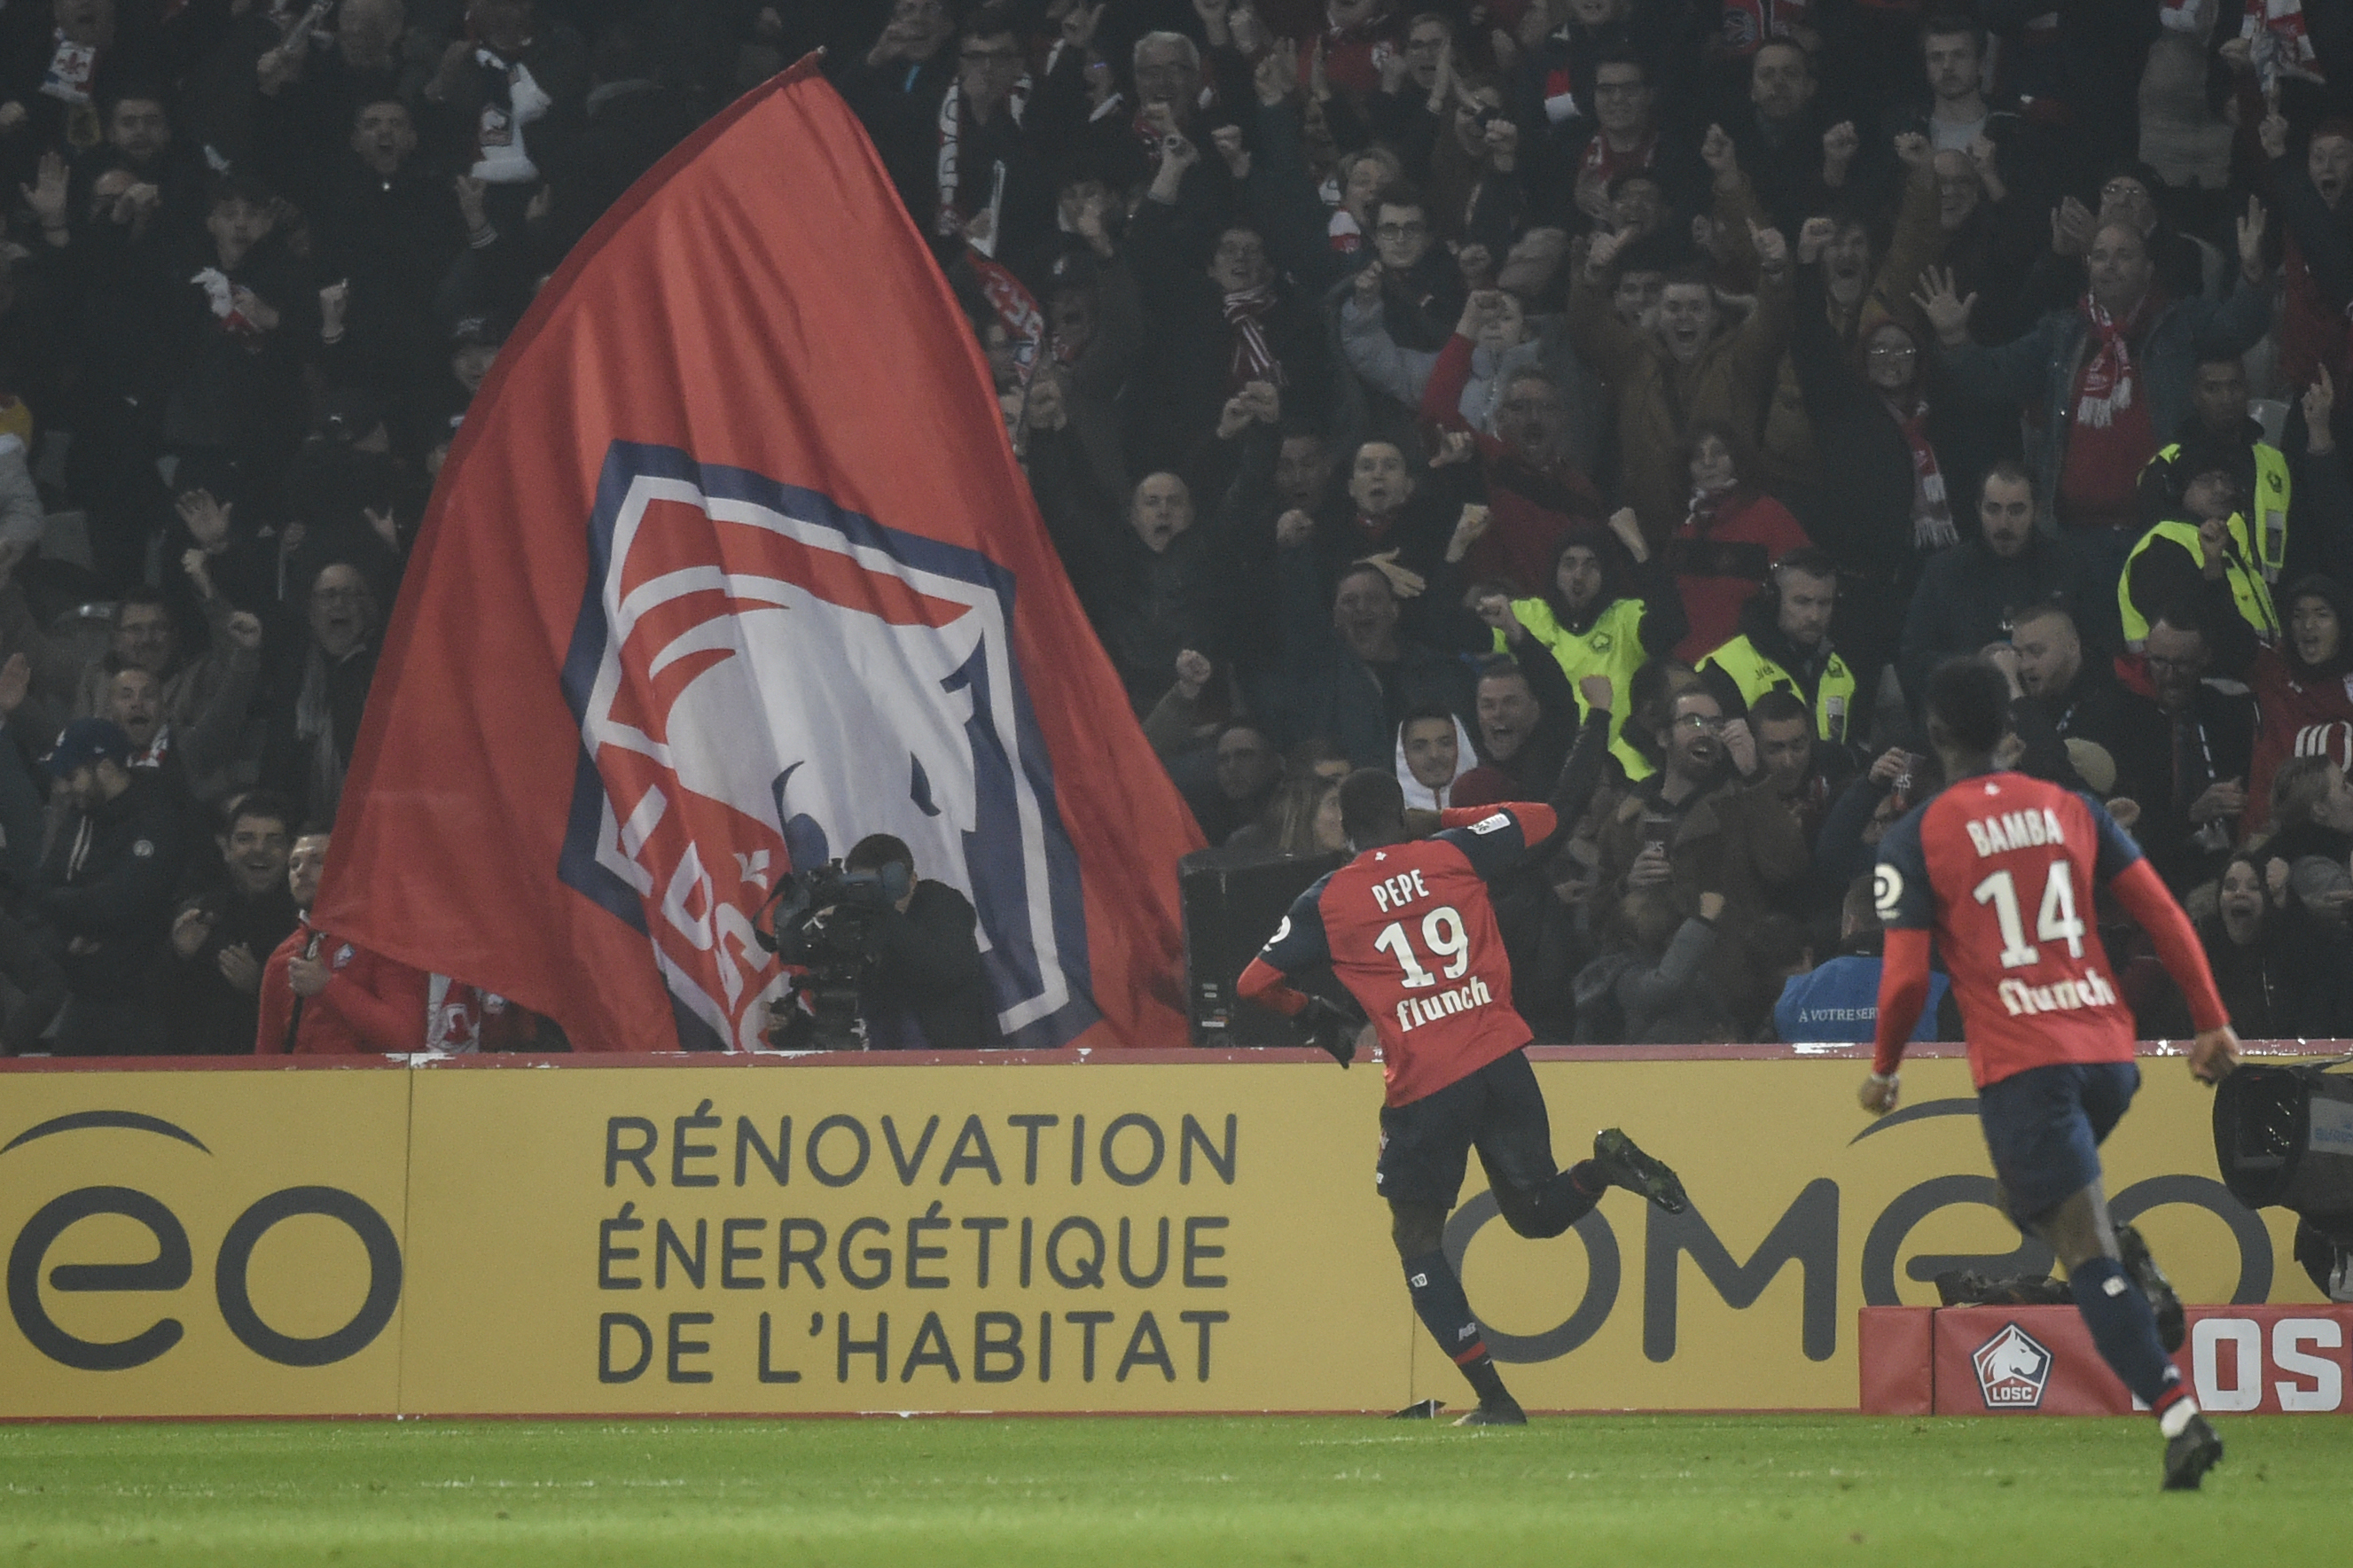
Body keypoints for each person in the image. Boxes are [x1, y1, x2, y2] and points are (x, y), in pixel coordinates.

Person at [1864, 657, 2240, 1490]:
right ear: (2008, 729)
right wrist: (2211, 1018)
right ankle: (2131, 1256)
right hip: (2110, 1053)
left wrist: (1885, 1071)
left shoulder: (1915, 835)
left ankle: (2178, 1414)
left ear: (1933, 735)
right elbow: (2163, 912)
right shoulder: (2072, 807)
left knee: (2080, 1249)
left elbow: (1899, 982)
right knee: (2022, 1197)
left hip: (2025, 1064)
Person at [1237, 771, 1689, 1425]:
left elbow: (1254, 982)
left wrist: (1311, 1010)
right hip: (1501, 1056)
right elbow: (1537, 815)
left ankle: (1496, 1400)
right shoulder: (1454, 853)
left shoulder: (1327, 898)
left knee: (1417, 1235)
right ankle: (1604, 1167)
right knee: (1534, 1211)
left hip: (1427, 1081)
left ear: (1344, 826)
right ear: (1402, 810)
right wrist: (1442, 820)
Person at [34, 716, 188, 1055]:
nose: (63, 787)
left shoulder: (157, 819)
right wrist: (70, 929)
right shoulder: (81, 816)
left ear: (104, 767)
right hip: (84, 995)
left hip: (142, 1004)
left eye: (72, 775)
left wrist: (71, 906)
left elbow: (120, 906)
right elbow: (41, 889)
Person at [256, 828, 429, 1054]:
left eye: (317, 861)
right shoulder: (282, 958)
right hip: (299, 1088)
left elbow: (406, 1038)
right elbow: (264, 1059)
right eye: (294, 864)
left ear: (351, 871)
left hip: (372, 1087)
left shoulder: (383, 942)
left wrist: (328, 985)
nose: (301, 871)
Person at [823, 831, 996, 1052]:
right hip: (879, 1058)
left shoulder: (942, 904)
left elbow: (947, 970)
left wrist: (885, 916)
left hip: (945, 1061)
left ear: (911, 881)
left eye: (881, 887)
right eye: (863, 888)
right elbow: (852, 999)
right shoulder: (862, 921)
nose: (872, 898)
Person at [165, 791, 299, 1054]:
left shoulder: (307, 919)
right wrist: (178, 955)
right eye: (245, 839)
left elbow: (319, 1019)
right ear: (225, 849)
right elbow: (160, 1004)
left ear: (290, 851)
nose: (259, 850)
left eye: (273, 840)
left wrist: (261, 988)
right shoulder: (201, 914)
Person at [1697, 548, 1857, 749]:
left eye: (1824, 603)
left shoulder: (1840, 670)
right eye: (1802, 602)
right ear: (1773, 601)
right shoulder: (1726, 669)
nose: (1814, 616)